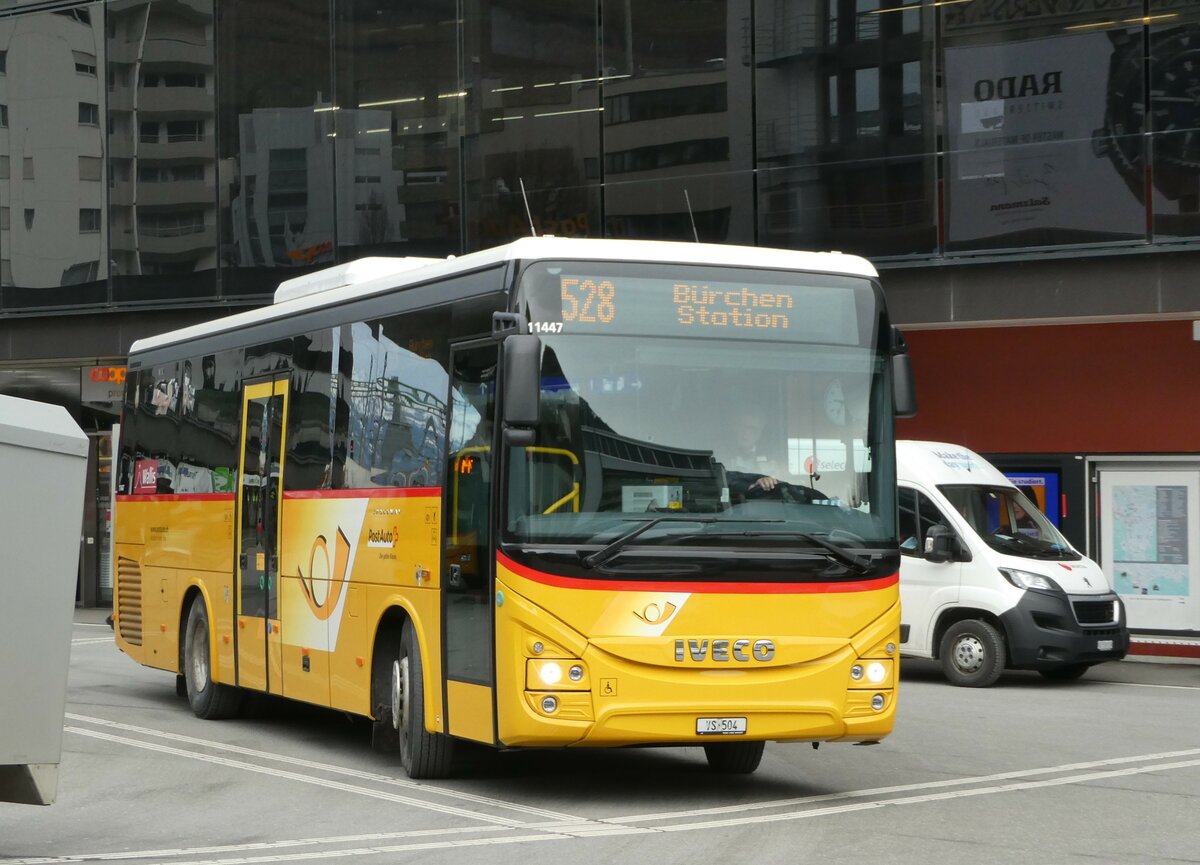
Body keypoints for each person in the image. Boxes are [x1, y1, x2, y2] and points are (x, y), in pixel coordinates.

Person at [724, 406, 781, 497]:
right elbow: (722, 482)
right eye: (742, 427)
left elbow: (781, 484)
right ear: (734, 428)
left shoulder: (772, 460)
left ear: (760, 433)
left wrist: (769, 481)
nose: (746, 433)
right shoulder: (720, 456)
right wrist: (750, 486)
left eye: (752, 429)